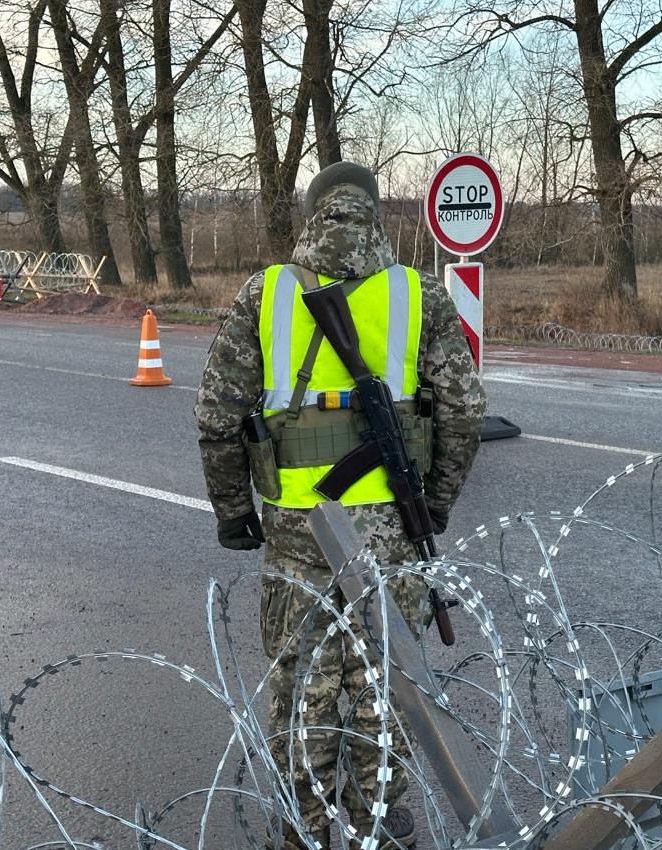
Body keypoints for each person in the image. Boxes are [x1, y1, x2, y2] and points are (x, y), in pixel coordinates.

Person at [194, 161, 486, 849]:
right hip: (391, 536)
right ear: (377, 217)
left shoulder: (266, 293)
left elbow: (215, 416)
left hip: (299, 534)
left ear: (311, 216)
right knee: (385, 693)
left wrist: (234, 512)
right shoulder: (419, 294)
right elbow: (466, 412)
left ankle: (305, 831)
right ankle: (382, 826)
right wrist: (433, 506)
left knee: (304, 693)